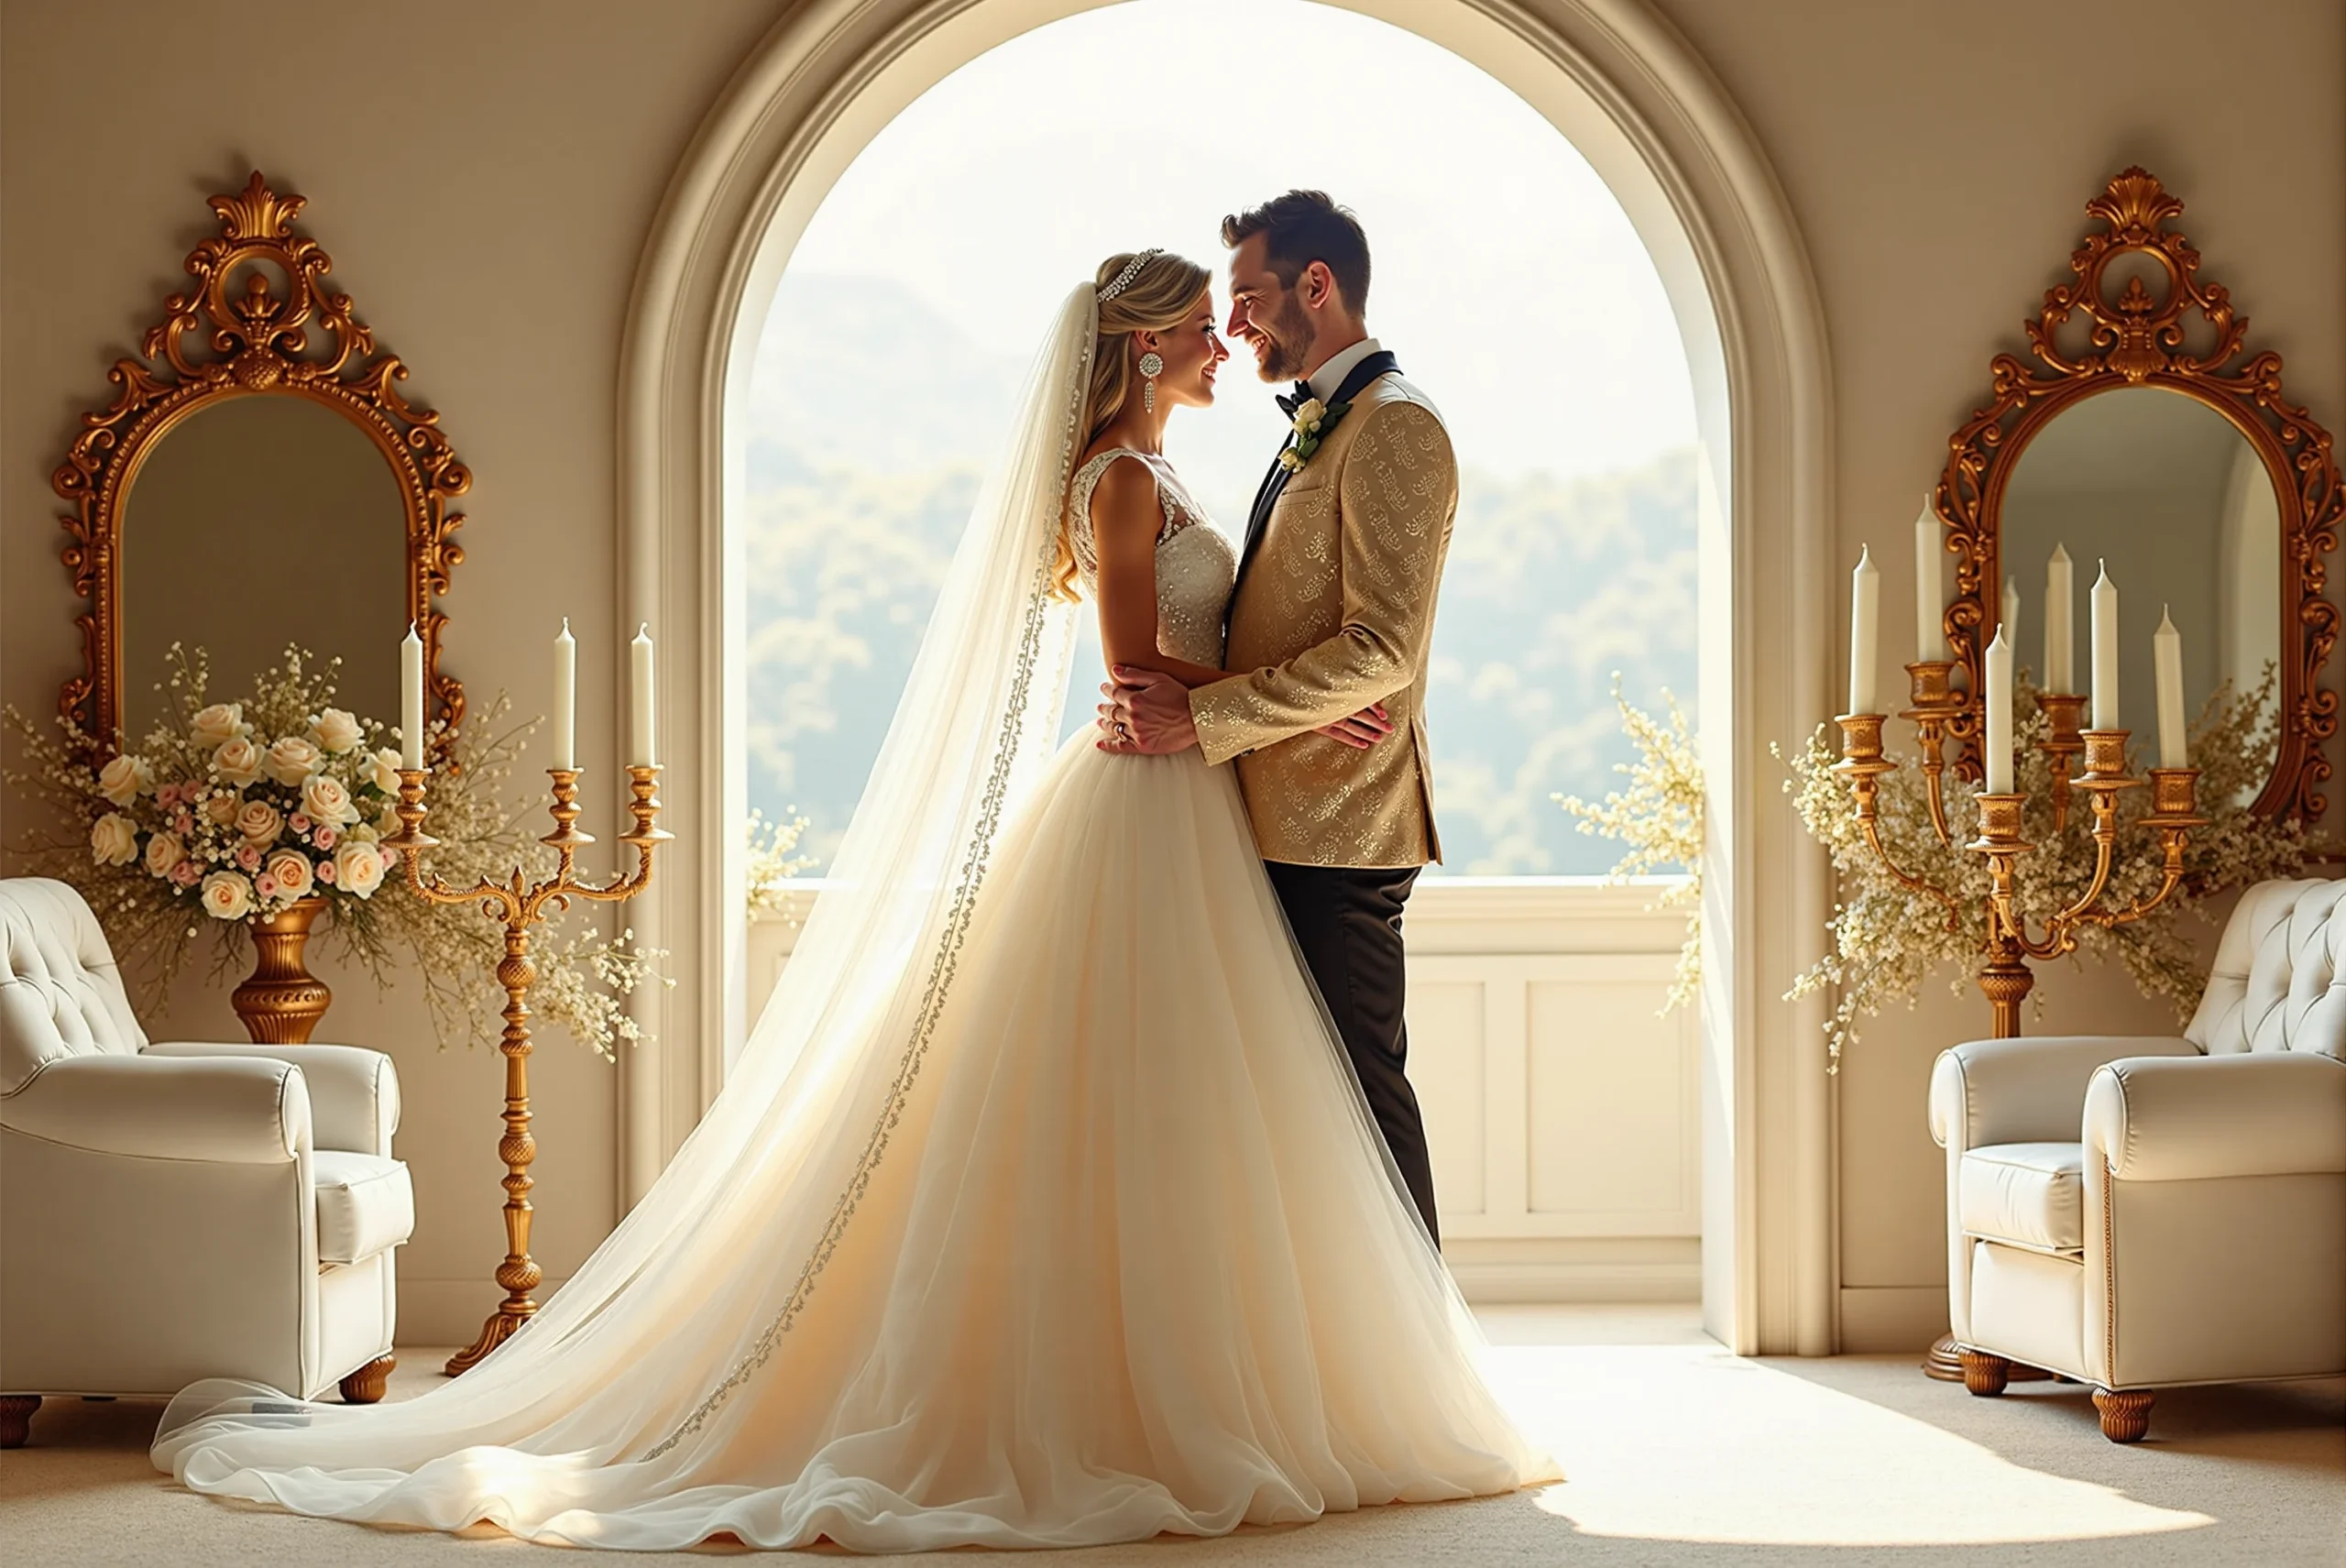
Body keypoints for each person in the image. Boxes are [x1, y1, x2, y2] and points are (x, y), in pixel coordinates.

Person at [151, 246, 1555, 1553]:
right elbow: (1133, 672)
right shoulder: (1121, 484)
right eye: (1198, 324)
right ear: (1136, 349)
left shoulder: (1171, 469)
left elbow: (1218, 646)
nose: (1219, 339)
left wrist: (1274, 712)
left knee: (1198, 1102)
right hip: (1152, 794)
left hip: (1201, 802)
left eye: (1224, 318)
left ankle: (1223, 1366)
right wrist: (1285, 717)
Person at [1102, 190, 1452, 1243]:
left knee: (1358, 1096)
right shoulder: (1323, 419)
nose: (1238, 324)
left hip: (1339, 822)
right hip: (1271, 801)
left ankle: (1418, 1359)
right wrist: (1269, 715)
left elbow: (1379, 650)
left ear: (1317, 285)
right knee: (1293, 1115)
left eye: (1249, 298)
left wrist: (1216, 717)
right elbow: (1280, 627)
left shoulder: (1393, 426)